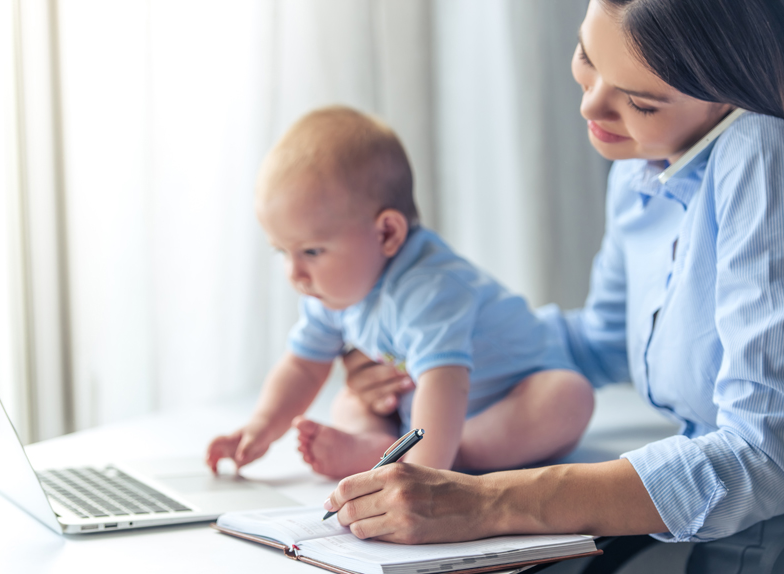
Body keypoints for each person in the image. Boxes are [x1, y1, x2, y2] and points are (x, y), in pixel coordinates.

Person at [321, 0, 784, 558]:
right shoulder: (643, 166)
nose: (590, 104)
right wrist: (436, 354)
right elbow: (604, 343)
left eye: (640, 102)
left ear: (740, 89)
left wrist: (487, 502)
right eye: (587, 57)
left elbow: (766, 455)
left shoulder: (761, 152)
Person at [206, 106, 594, 479]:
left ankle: (422, 459)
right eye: (281, 251)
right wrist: (260, 427)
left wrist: (422, 477)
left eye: (311, 251)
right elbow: (303, 367)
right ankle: (380, 446)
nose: (295, 274)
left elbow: (445, 386)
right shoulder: (331, 291)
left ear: (387, 233)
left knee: (568, 397)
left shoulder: (429, 289)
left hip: (505, 404)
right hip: (422, 414)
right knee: (350, 399)